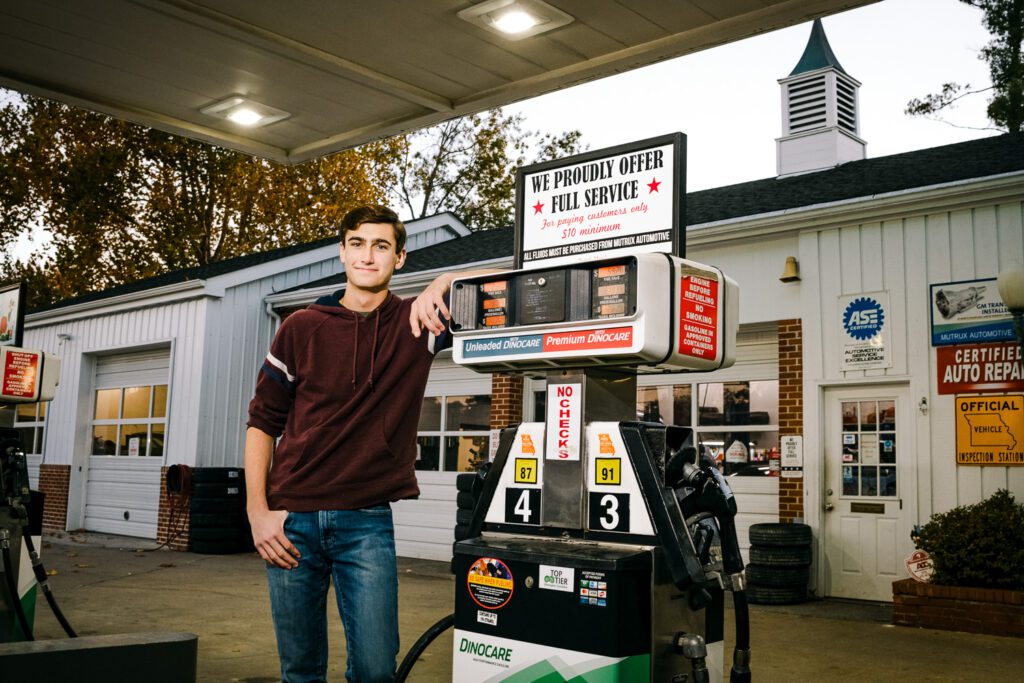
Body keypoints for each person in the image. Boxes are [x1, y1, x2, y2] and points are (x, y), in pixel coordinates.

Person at [245, 205, 490, 683]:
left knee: (376, 670)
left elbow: (511, 284)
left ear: (399, 258)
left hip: (366, 521)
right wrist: (258, 512)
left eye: (381, 246)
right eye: (357, 243)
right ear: (342, 252)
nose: (367, 255)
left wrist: (445, 282)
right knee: (300, 671)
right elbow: (262, 423)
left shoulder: (419, 322)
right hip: (292, 519)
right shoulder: (300, 327)